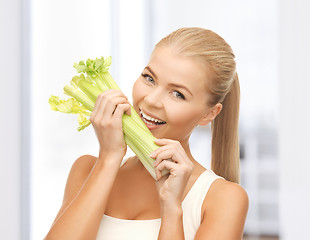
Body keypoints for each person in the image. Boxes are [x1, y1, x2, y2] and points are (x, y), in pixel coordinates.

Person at [45, 27, 248, 240]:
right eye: (149, 79)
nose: (151, 100)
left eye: (178, 94)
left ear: (208, 114)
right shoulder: (86, 170)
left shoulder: (223, 199)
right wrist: (109, 157)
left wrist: (172, 209)